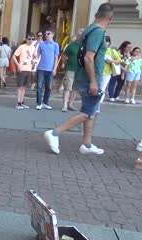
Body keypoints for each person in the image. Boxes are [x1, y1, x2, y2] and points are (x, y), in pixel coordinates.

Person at [44, 3, 114, 155]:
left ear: (96, 14)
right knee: (87, 112)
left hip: (83, 75)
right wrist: (94, 81)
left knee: (92, 110)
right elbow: (89, 58)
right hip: (90, 77)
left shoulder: (88, 30)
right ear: (111, 19)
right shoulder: (98, 32)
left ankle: (87, 144)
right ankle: (55, 133)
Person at [35, 27, 59, 110]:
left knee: (49, 87)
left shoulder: (55, 45)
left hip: (50, 69)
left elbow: (56, 58)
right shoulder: (41, 44)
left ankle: (45, 102)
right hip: (41, 68)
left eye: (48, 33)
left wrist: (55, 68)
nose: (46, 35)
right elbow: (37, 55)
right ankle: (39, 103)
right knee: (39, 86)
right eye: (45, 34)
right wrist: (34, 60)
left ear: (53, 34)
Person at [60, 28, 84, 112]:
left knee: (75, 88)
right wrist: (64, 63)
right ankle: (65, 105)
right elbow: (64, 55)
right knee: (67, 87)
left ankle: (70, 104)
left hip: (80, 70)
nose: (79, 37)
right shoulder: (71, 45)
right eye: (78, 35)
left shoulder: (85, 46)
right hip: (70, 68)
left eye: (81, 35)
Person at [12, 33, 37, 109]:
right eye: (29, 39)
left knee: (24, 87)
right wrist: (18, 65)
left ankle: (22, 102)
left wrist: (34, 61)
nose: (30, 40)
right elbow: (14, 56)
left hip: (29, 69)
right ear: (26, 39)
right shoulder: (22, 47)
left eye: (32, 39)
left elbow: (35, 57)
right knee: (20, 86)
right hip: (22, 69)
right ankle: (18, 103)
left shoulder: (33, 47)